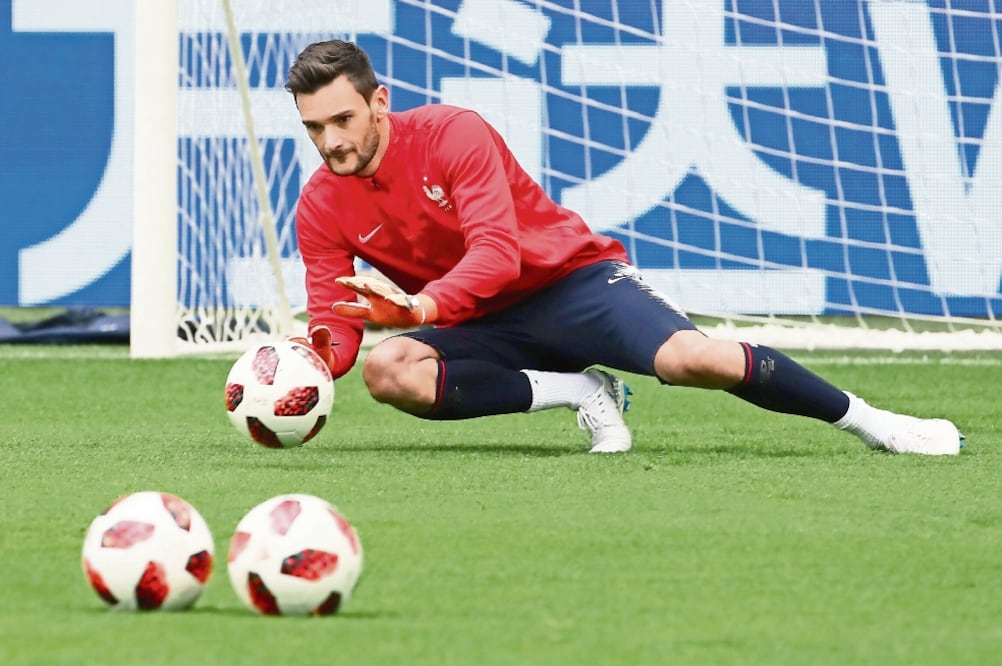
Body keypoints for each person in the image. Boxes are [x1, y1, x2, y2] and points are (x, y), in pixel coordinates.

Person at [285, 39, 962, 456]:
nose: (332, 141)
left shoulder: (452, 133)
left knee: (693, 358)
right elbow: (337, 321)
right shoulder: (319, 204)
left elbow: (497, 256)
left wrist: (427, 307)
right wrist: (310, 363)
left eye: (343, 119)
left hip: (572, 284)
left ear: (380, 102)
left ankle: (876, 423)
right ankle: (578, 391)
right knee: (389, 372)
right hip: (486, 324)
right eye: (315, 128)